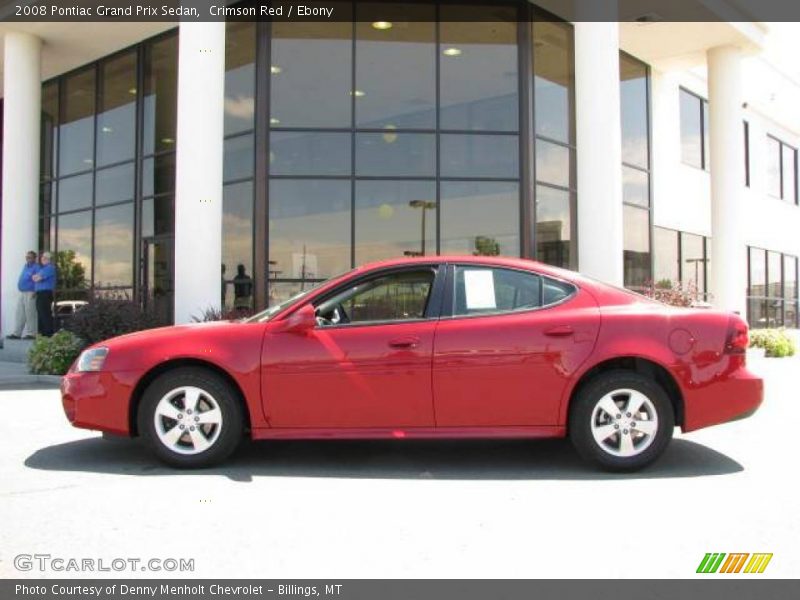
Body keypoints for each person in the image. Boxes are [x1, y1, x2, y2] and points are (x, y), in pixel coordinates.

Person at [6, 251, 39, 339]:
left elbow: (39, 280)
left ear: (34, 258)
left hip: (31, 292)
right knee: (20, 313)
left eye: (30, 257)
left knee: (30, 313)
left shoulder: (36, 267)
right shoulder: (25, 266)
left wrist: (36, 291)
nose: (28, 259)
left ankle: (32, 333)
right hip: (23, 292)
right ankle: (17, 333)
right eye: (27, 257)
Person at [32, 252, 57, 337]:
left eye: (46, 258)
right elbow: (34, 278)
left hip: (45, 293)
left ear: (50, 260)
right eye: (42, 257)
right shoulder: (43, 269)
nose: (43, 259)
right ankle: (42, 334)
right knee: (40, 313)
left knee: (45, 313)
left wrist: (37, 277)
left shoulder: (50, 268)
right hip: (40, 294)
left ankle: (48, 334)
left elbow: (37, 279)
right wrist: (36, 277)